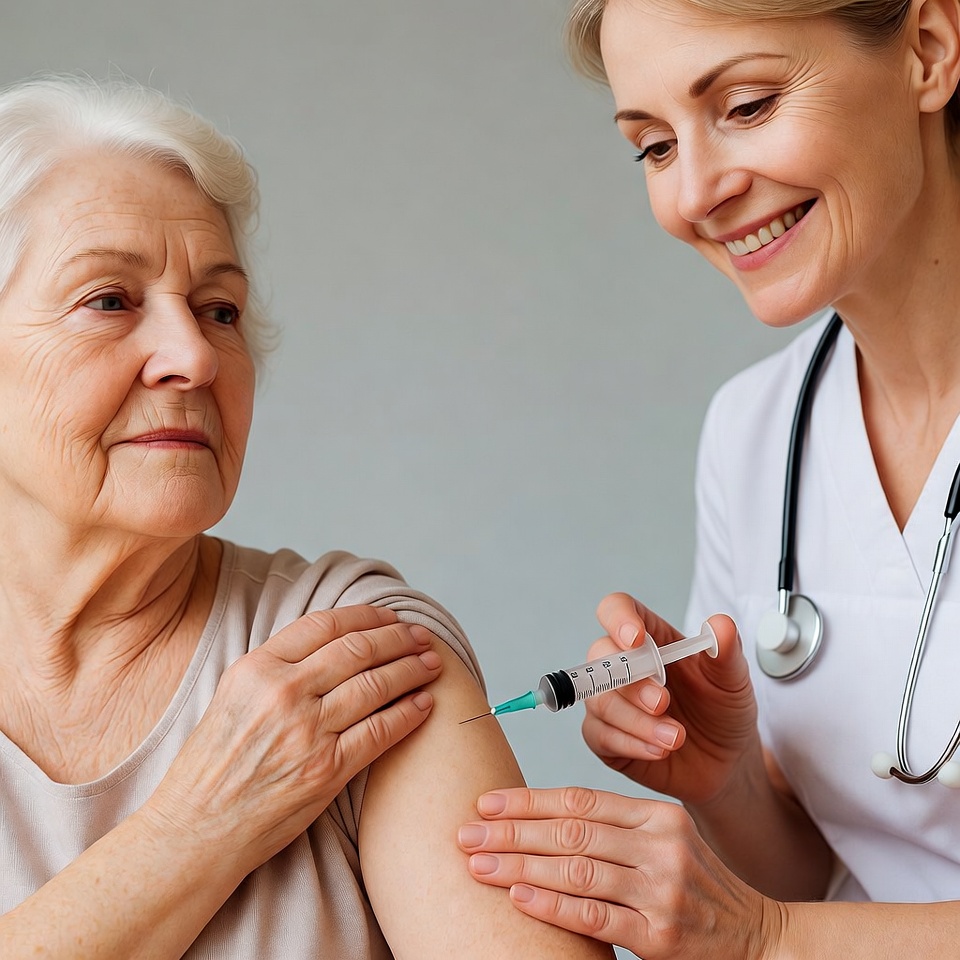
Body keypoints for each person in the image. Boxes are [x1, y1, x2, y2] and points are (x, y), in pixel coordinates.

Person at [0, 73, 612, 960]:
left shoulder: (348, 650)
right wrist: (196, 828)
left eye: (221, 311)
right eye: (110, 300)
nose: (194, 358)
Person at [457, 0, 960, 955]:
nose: (693, 193)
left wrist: (765, 940)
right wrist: (725, 781)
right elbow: (818, 875)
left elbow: (783, 920)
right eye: (652, 146)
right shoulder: (757, 431)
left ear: (927, 53)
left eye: (747, 103)